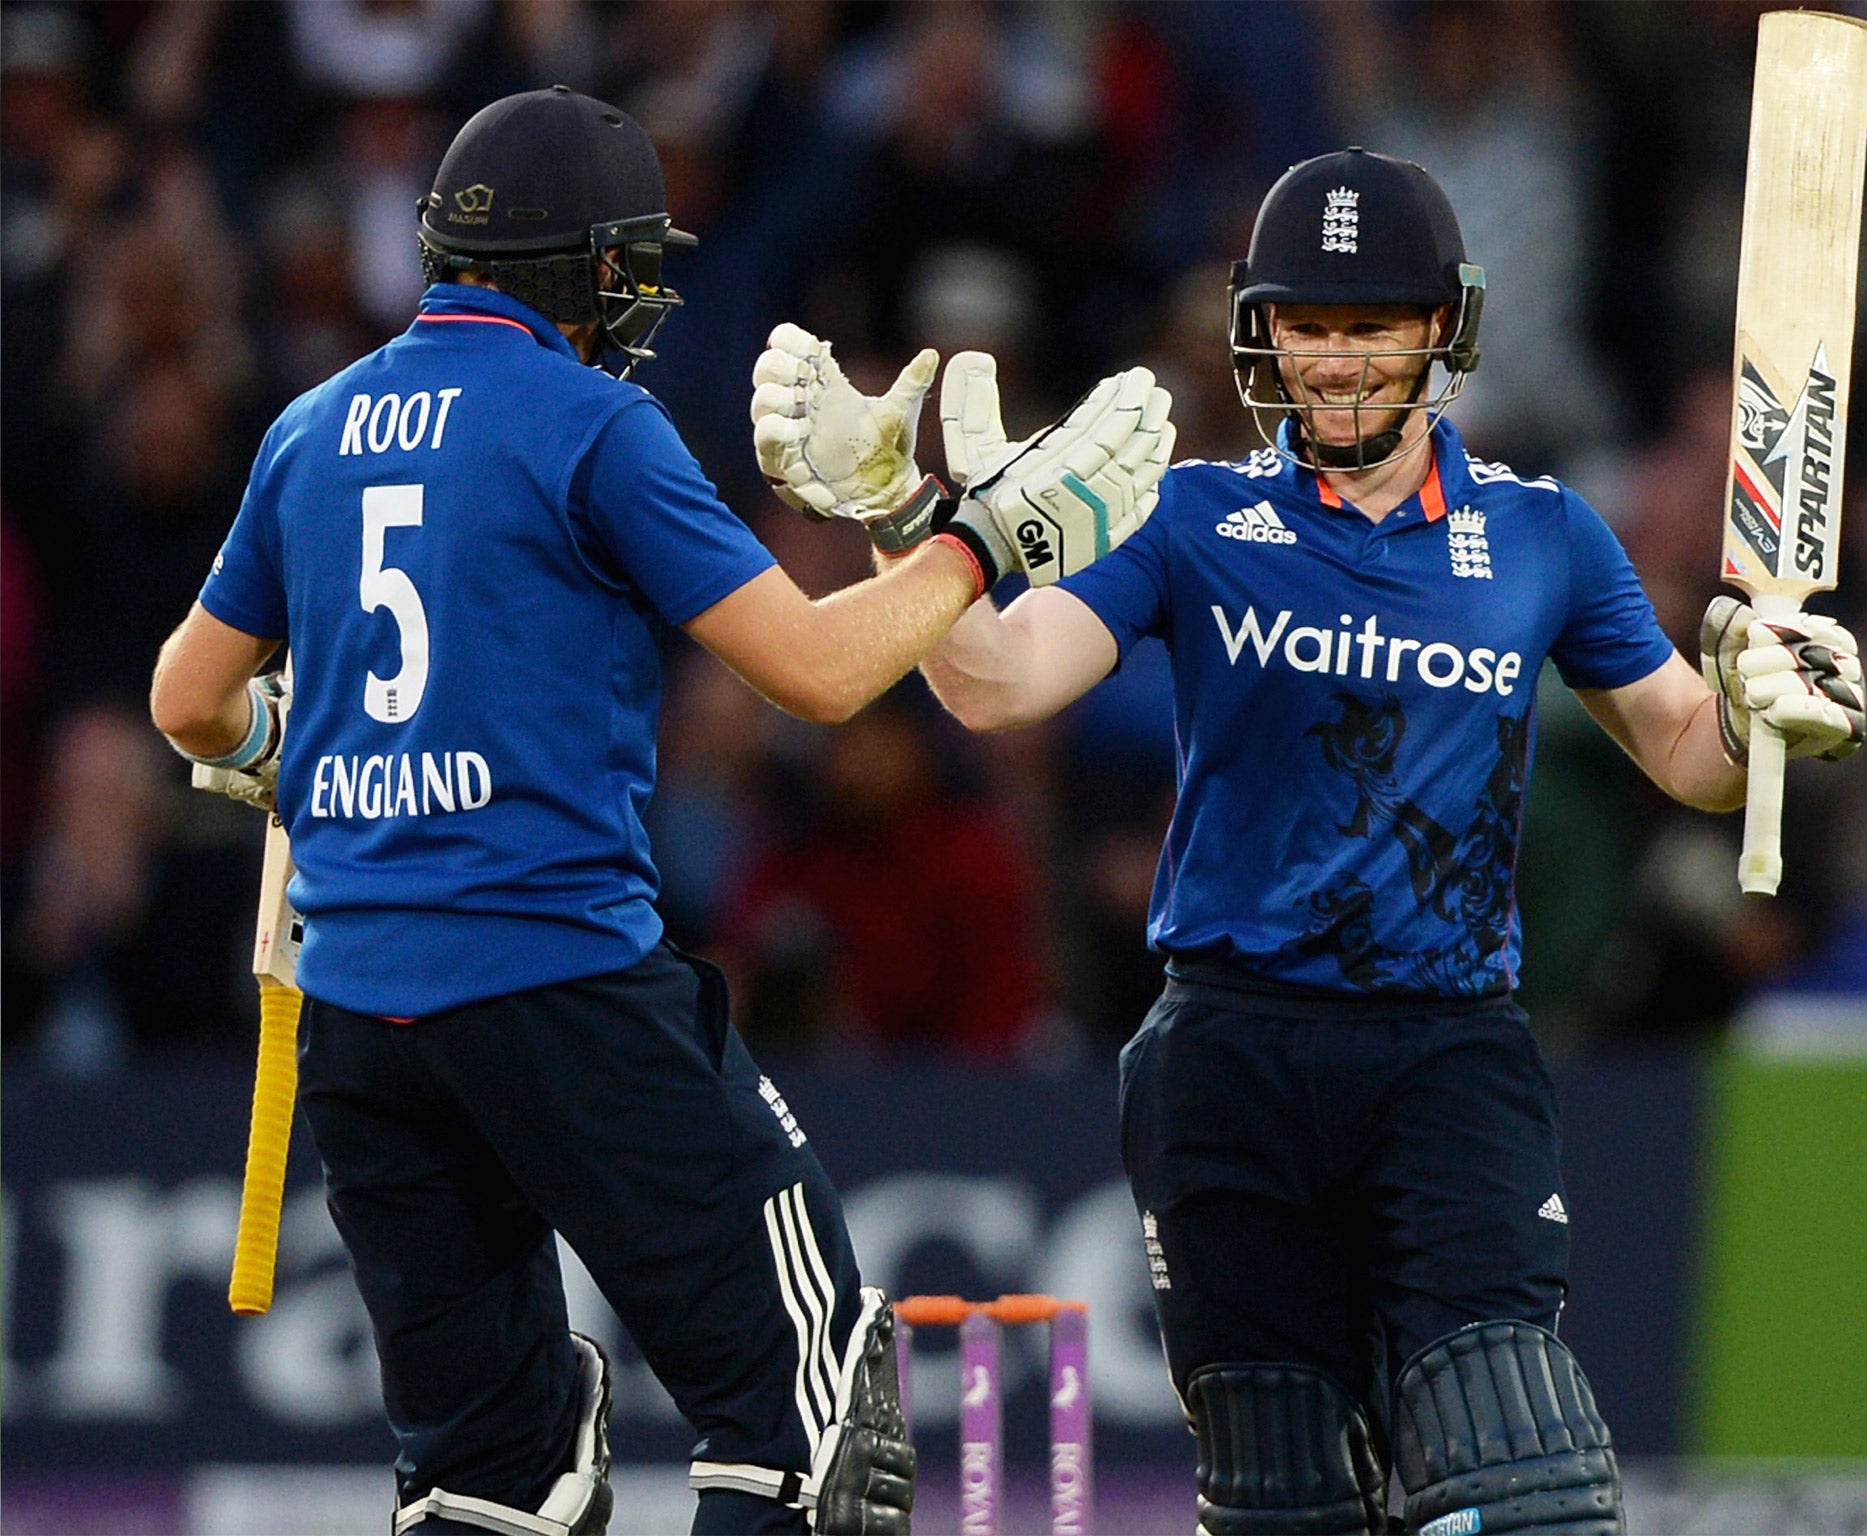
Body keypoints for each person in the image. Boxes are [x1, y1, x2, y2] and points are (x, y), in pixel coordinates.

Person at [751, 149, 1866, 1535]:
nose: (1335, 363)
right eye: (1307, 326)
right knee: (1283, 1508)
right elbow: (995, 681)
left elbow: (1685, 747)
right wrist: (899, 518)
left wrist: (1767, 718)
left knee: (1528, 1491)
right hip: (1233, 1058)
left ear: (1440, 330)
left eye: (1371, 327)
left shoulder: (1544, 537)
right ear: (1259, 329)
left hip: (1447, 1055)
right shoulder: (1193, 517)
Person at [148, 87, 1168, 1536]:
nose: (636, 297)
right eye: (626, 263)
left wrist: (281, 749)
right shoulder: (592, 422)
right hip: (563, 982)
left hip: (363, 1025)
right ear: (577, 266)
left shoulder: (310, 429)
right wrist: (983, 542)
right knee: (810, 1430)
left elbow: (188, 700)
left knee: (482, 1486)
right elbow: (817, 675)